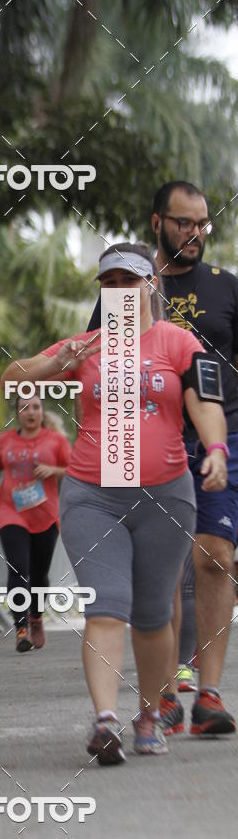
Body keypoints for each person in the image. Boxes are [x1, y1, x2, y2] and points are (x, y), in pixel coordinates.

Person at [2, 242, 228, 764]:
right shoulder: (87, 345)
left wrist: (215, 449)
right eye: (110, 283)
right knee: (106, 607)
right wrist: (60, 360)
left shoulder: (179, 343)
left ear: (152, 286)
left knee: (152, 617)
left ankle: (149, 713)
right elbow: (15, 377)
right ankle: (105, 721)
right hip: (92, 495)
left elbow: (205, 406)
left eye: (131, 281)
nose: (121, 290)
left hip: (167, 495)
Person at [88, 182, 238, 736]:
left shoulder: (226, 288)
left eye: (203, 224)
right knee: (164, 567)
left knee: (215, 554)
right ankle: (167, 690)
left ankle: (211, 693)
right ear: (157, 223)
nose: (194, 233)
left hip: (224, 435)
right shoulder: (123, 288)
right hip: (147, 439)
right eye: (183, 223)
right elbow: (95, 368)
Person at [0, 396, 71, 652]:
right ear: (18, 413)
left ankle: (36, 617)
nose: (30, 412)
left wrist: (52, 470)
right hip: (11, 510)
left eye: (35, 407)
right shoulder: (6, 440)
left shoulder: (55, 440)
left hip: (44, 512)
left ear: (42, 411)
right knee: (18, 567)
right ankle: (21, 628)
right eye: (24, 408)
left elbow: (74, 467)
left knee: (39, 574)